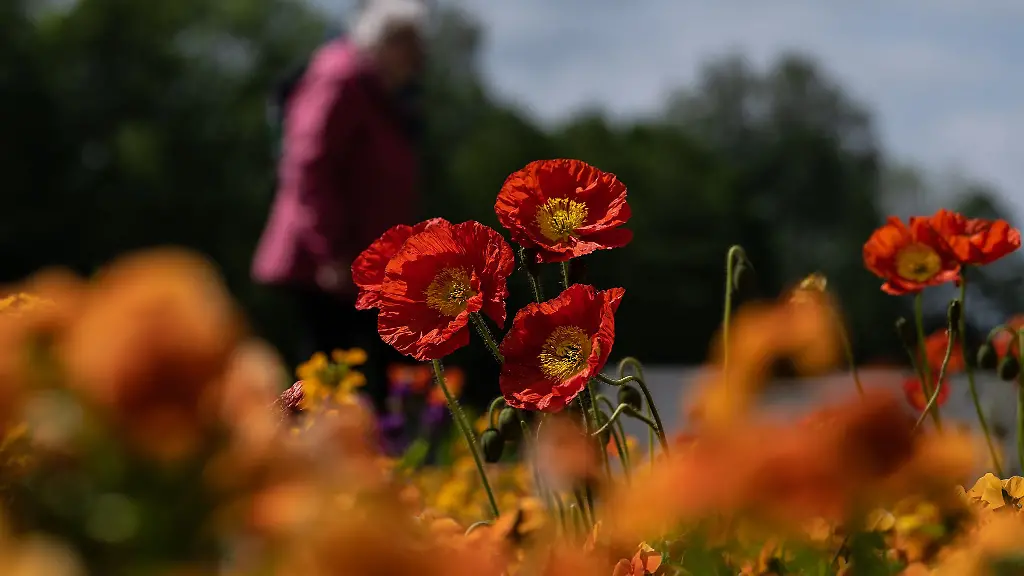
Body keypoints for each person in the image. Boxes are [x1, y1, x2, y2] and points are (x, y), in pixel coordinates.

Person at [252, 0, 428, 412]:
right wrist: (330, 252)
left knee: (374, 379)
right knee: (322, 378)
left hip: (366, 266)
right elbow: (309, 166)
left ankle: (375, 464)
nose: (419, 58)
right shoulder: (339, 77)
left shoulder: (381, 90)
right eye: (410, 44)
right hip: (326, 263)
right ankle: (302, 464)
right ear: (384, 41)